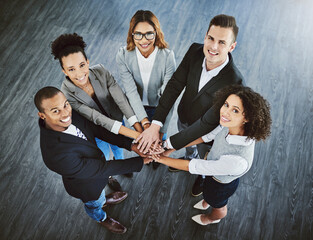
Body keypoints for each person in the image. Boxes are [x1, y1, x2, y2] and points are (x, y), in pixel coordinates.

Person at [136, 14, 244, 196]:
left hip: (207, 134)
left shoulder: (234, 80)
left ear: (232, 47)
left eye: (222, 42)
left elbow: (207, 123)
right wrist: (156, 123)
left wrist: (168, 145)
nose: (213, 47)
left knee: (204, 157)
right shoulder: (195, 51)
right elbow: (175, 85)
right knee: (189, 149)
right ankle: (187, 159)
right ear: (205, 36)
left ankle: (201, 177)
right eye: (210, 38)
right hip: (184, 116)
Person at [34, 87, 151, 234]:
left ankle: (104, 200)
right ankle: (101, 218)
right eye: (55, 111)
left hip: (97, 172)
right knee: (94, 204)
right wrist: (140, 162)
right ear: (42, 115)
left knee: (101, 196)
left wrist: (131, 145)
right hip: (87, 186)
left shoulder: (70, 114)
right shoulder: (55, 155)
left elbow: (96, 130)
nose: (65, 113)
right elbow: (100, 168)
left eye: (65, 105)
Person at [151, 85, 272, 225]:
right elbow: (206, 137)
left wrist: (160, 158)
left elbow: (195, 165)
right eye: (226, 105)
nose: (225, 112)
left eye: (235, 110)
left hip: (221, 186)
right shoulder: (229, 125)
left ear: (247, 118)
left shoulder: (238, 161)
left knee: (218, 205)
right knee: (208, 193)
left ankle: (212, 218)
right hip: (212, 174)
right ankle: (206, 200)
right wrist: (172, 148)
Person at [51, 33, 142, 190]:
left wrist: (138, 128)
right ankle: (109, 177)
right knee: (103, 156)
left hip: (118, 122)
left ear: (87, 62)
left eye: (82, 65)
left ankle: (123, 166)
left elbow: (120, 99)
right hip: (96, 131)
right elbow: (96, 118)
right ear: (64, 71)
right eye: (71, 69)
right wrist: (136, 136)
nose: (79, 74)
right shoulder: (66, 94)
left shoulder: (101, 71)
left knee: (119, 149)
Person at [116, 10, 176, 169]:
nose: (143, 40)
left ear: (157, 33)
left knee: (159, 140)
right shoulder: (123, 56)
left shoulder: (168, 57)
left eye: (149, 34)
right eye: (138, 34)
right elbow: (131, 92)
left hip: (160, 108)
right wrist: (145, 123)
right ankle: (151, 157)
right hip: (137, 108)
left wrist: (160, 130)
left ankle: (157, 159)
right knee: (143, 141)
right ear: (132, 34)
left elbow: (169, 97)